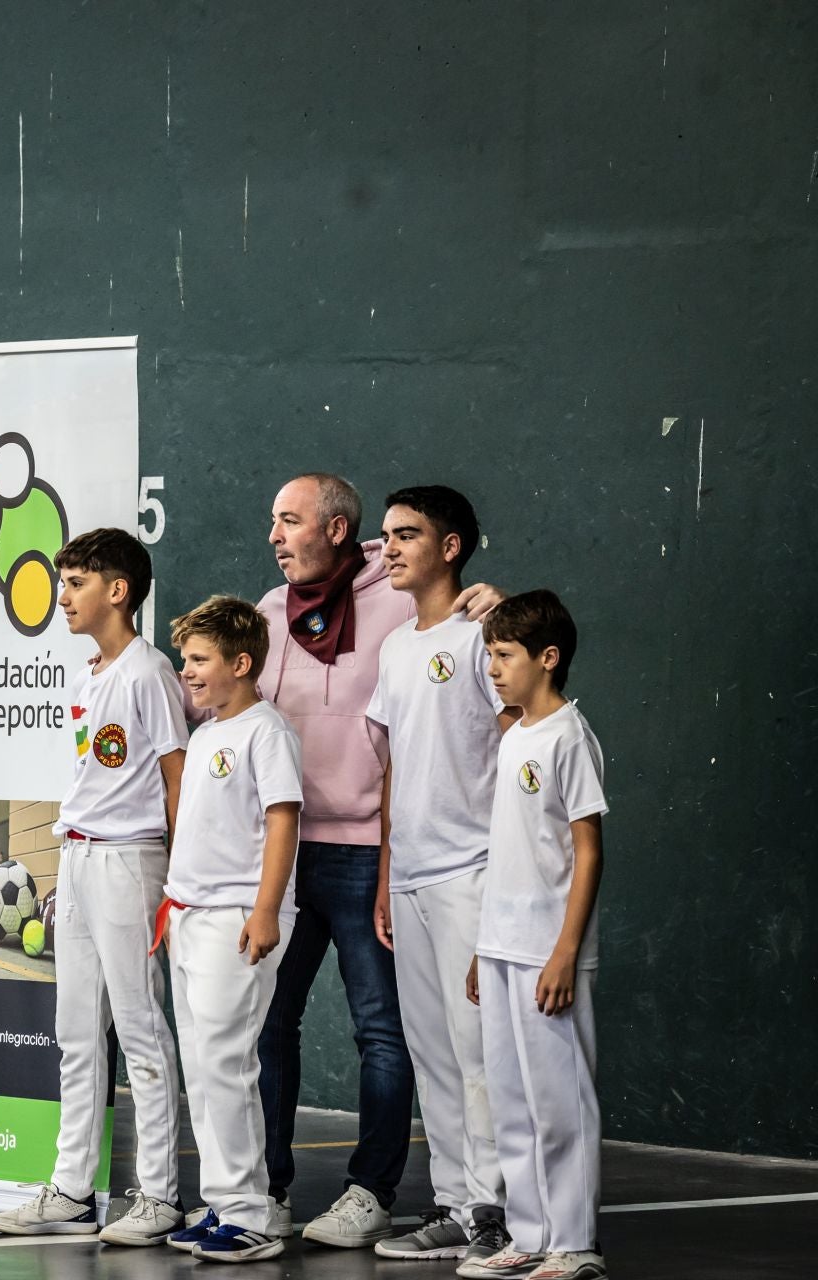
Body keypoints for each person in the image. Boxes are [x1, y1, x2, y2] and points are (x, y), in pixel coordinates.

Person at [253, 472, 501, 1247]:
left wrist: (492, 602)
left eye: (288, 520)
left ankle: (373, 1193)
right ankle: (265, 1192)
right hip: (291, 854)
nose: (274, 536)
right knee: (268, 1026)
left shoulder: (405, 600)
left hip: (374, 858)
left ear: (333, 529)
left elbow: (476, 632)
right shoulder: (268, 612)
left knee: (384, 1033)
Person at [0, 528, 189, 1244]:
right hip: (78, 858)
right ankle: (70, 1188)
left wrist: (179, 876)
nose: (62, 596)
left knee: (140, 1030)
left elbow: (175, 778)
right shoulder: (91, 672)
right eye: (64, 582)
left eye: (75, 583)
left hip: (133, 862)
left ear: (118, 591)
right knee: (75, 1031)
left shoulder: (149, 672)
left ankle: (159, 1196)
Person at [367, 486, 515, 1265]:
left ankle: (495, 1210)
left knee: (476, 1048)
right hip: (415, 878)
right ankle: (457, 1205)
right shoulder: (394, 649)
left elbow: (518, 735)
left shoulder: (483, 636)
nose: (388, 548)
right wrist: (391, 871)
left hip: (474, 873)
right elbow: (393, 768)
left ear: (451, 547)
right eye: (386, 535)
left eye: (407, 535)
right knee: (431, 1051)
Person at [460, 592, 607, 1280]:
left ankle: (573, 1243)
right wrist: (480, 948)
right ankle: (529, 1234)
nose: (493, 668)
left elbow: (588, 850)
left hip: (552, 951)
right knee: (512, 1099)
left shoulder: (569, 737)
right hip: (501, 947)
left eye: (505, 655)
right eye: (489, 654)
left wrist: (566, 951)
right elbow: (508, 849)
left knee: (559, 1101)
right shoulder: (514, 733)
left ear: (547, 659)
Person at [160, 595, 303, 1264]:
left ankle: (252, 1214)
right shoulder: (208, 732)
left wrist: (267, 907)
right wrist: (172, 904)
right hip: (189, 916)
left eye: (198, 660)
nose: (186, 672)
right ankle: (222, 1201)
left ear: (240, 663)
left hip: (239, 919)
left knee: (229, 1063)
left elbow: (282, 820)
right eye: (185, 660)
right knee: (202, 1066)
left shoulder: (265, 732)